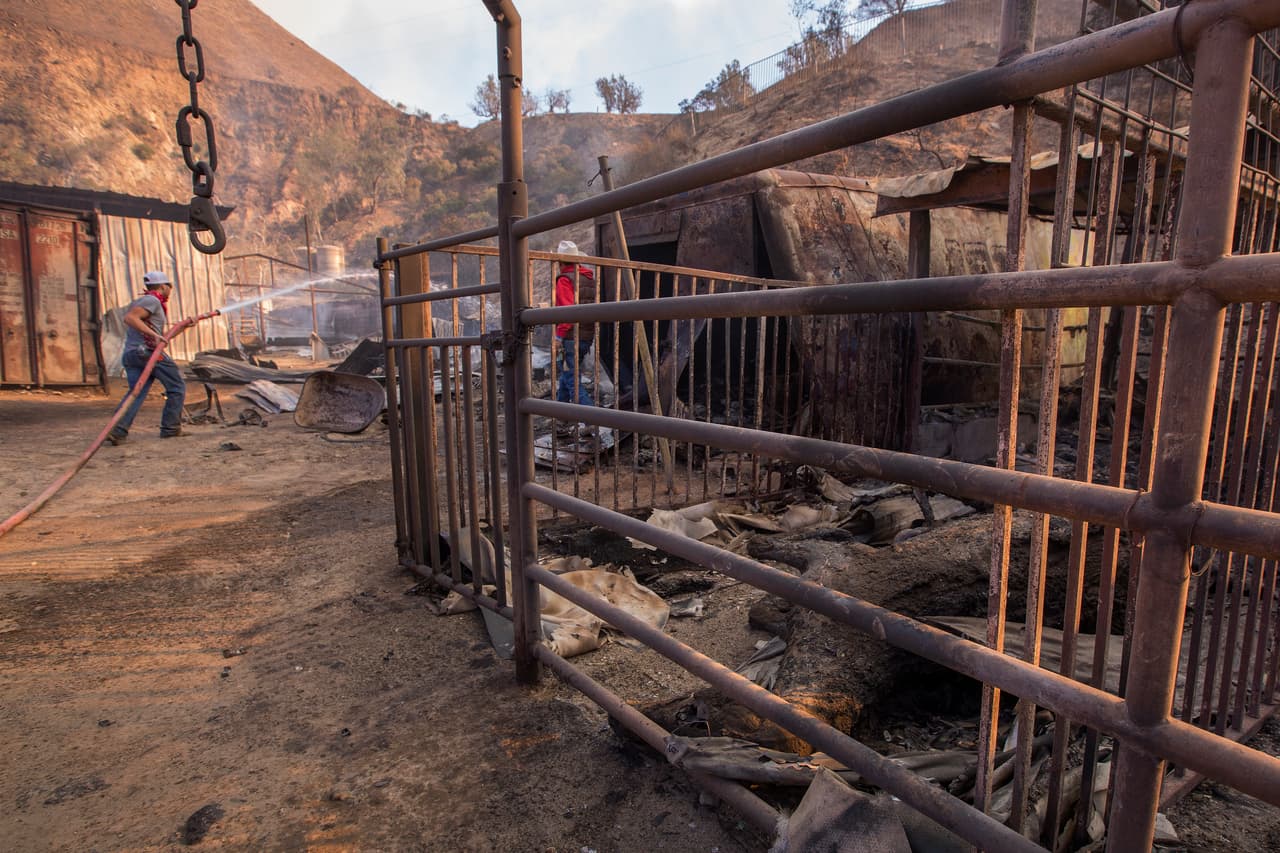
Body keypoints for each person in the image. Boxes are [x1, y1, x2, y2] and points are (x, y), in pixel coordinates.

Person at [107, 270, 187, 444]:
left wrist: (183, 327)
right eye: (169, 286)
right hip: (146, 353)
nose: (170, 290)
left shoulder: (146, 301)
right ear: (163, 286)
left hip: (132, 354)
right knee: (177, 387)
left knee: (137, 392)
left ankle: (118, 430)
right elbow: (130, 318)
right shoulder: (152, 300)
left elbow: (161, 337)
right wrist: (155, 335)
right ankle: (170, 428)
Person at [553, 241, 597, 409]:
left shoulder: (565, 280)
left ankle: (591, 419)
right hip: (586, 335)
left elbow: (566, 312)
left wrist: (558, 336)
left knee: (572, 380)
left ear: (560, 262)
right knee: (567, 374)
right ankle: (561, 417)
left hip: (571, 336)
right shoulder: (588, 278)